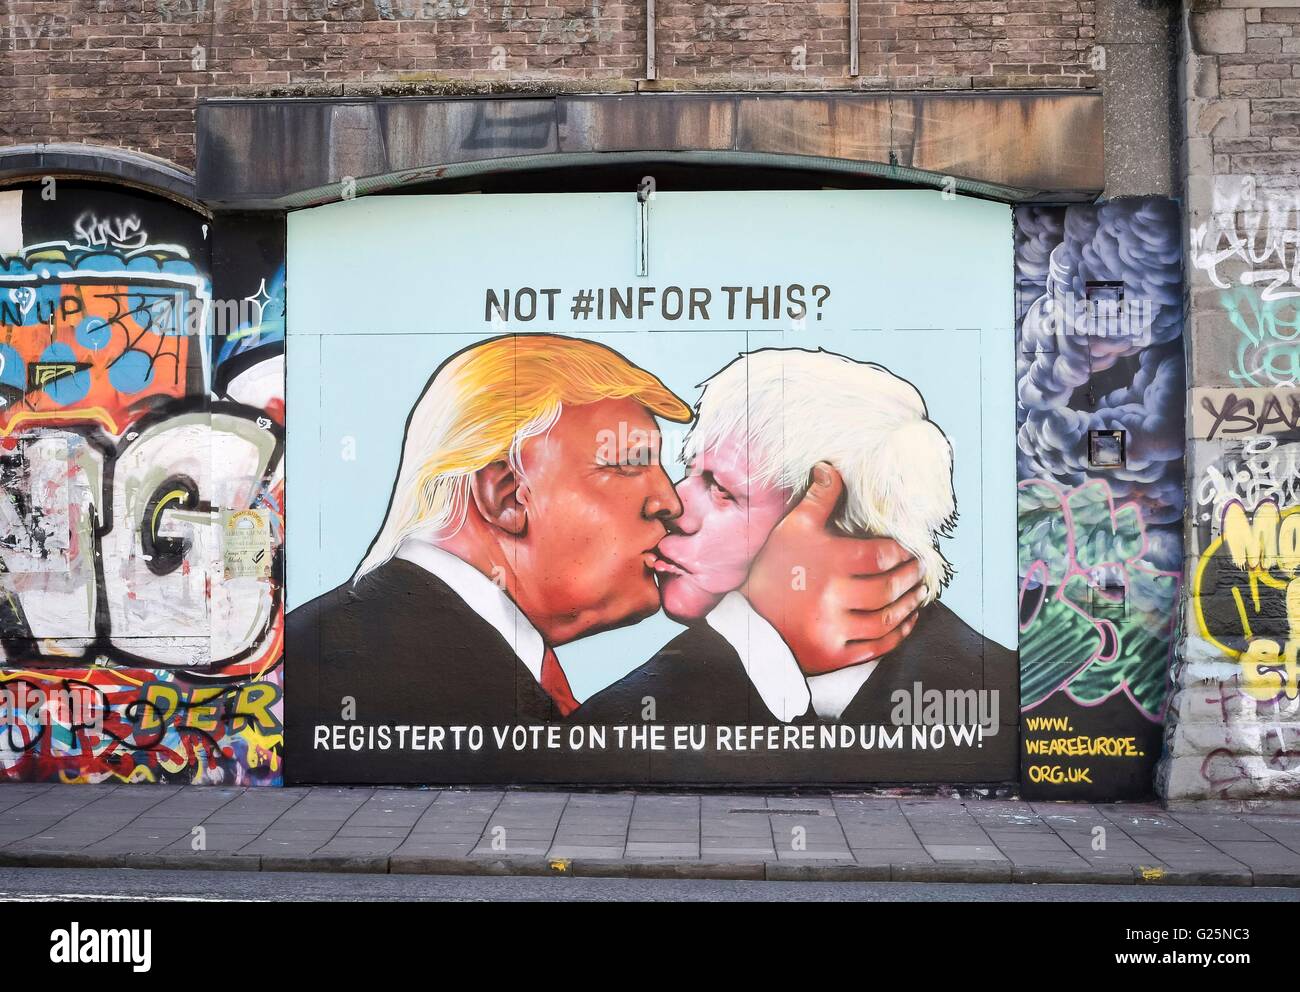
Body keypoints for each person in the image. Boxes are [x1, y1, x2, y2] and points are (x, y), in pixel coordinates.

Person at [285, 335, 921, 783]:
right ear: (508, 496)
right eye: (627, 465)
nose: (669, 501)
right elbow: (578, 777)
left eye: (716, 487)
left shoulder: (394, 635)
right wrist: (758, 634)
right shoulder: (389, 660)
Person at [578, 348, 1016, 747]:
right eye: (691, 472)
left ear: (841, 531)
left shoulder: (1002, 695)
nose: (674, 504)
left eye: (721, 490)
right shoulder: (622, 715)